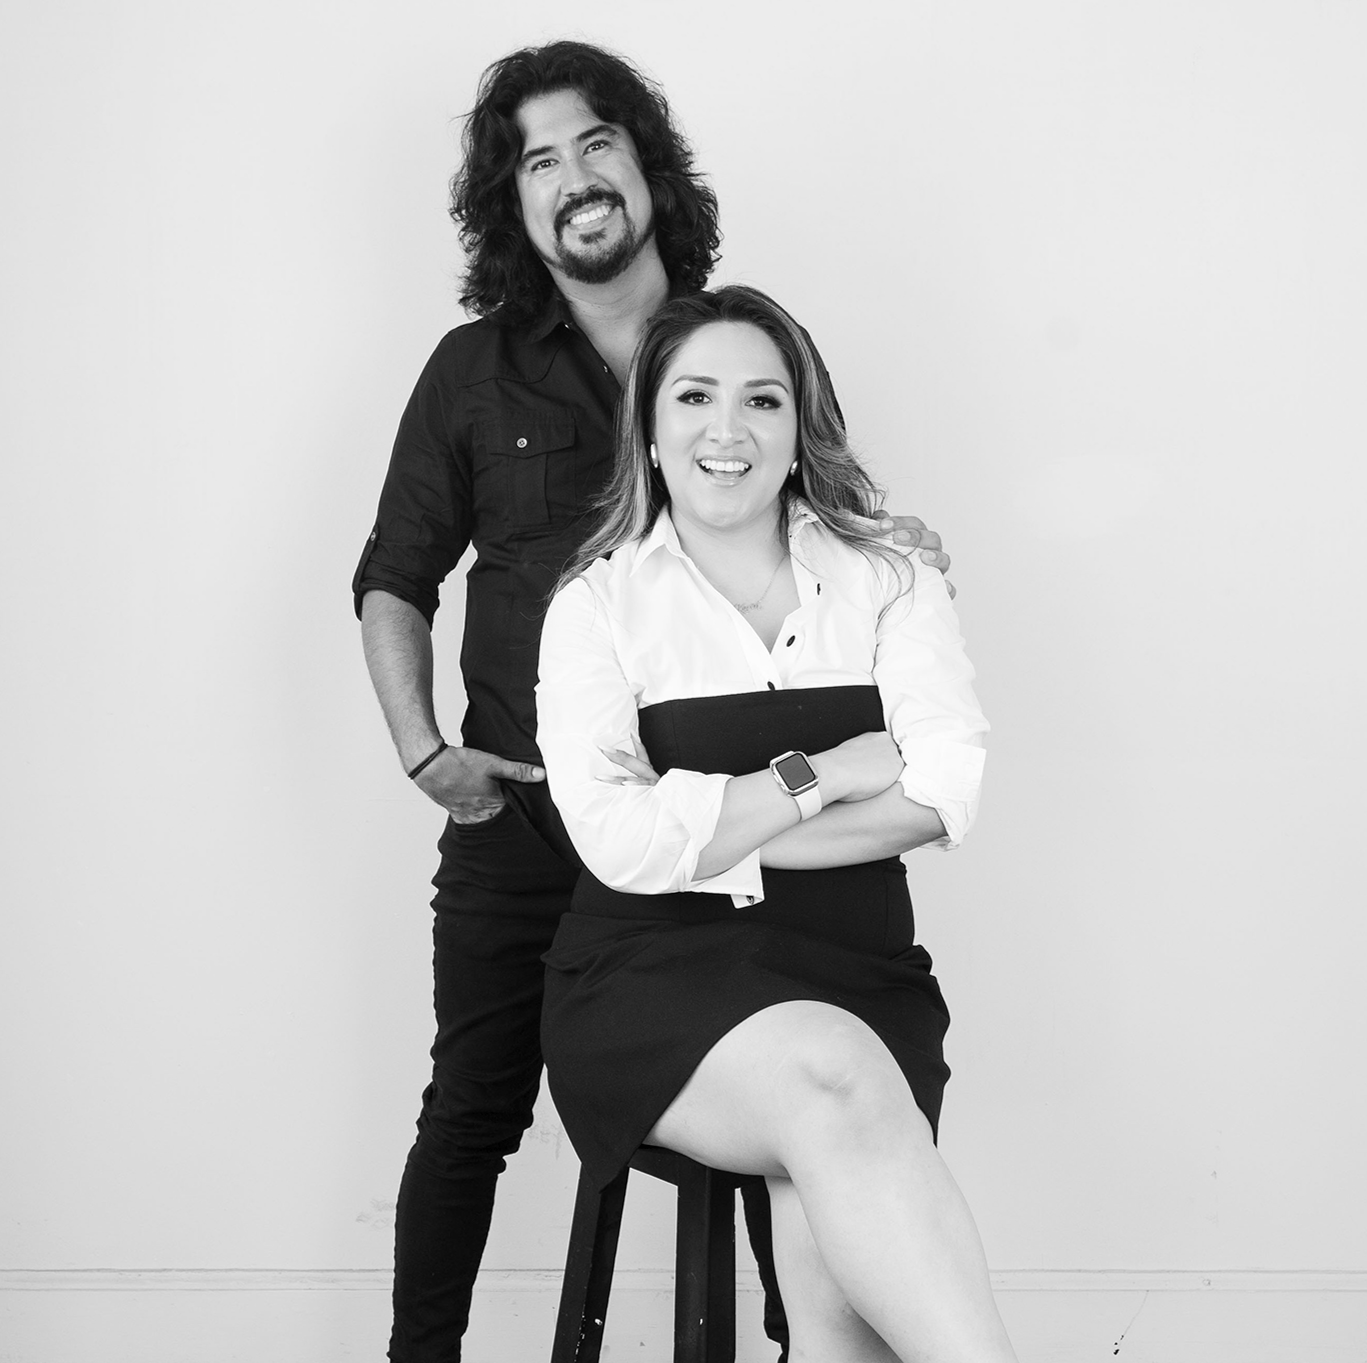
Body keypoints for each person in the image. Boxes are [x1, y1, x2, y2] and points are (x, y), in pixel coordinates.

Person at [354, 40, 951, 1361]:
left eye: (595, 142)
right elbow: (395, 573)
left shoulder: (738, 340)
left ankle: (806, 1336)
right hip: (529, 826)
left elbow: (824, 509)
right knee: (470, 1106)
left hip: (734, 816)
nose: (573, 177)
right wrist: (423, 750)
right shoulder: (471, 371)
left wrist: (894, 553)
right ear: (509, 203)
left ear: (645, 164)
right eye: (537, 161)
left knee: (796, 1079)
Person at [536, 284, 1015, 1362]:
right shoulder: (597, 606)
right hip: (648, 978)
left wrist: (711, 828)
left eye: (761, 400)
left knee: (845, 1312)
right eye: (693, 396)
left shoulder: (889, 577)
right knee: (835, 1072)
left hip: (858, 972)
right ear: (648, 429)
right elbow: (616, 844)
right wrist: (824, 774)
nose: (728, 428)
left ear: (800, 429)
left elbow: (942, 792)